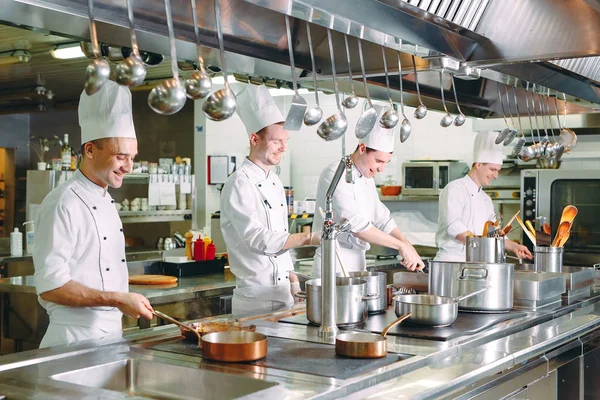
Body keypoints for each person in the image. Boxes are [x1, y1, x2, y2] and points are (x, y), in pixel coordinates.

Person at [33, 81, 153, 348]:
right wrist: (117, 299)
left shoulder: (106, 199)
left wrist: (121, 299)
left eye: (132, 157)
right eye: (121, 156)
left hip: (110, 338)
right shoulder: (63, 203)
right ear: (90, 150)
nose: (129, 167)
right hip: (72, 342)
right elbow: (51, 286)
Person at [220, 84, 319, 315]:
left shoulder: (274, 180)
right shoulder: (238, 183)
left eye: (285, 141)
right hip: (255, 300)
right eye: (276, 141)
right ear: (255, 139)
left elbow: (279, 233)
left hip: (283, 293)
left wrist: (292, 277)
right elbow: (258, 239)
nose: (283, 147)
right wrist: (308, 238)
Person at [311, 105, 425, 278]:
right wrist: (400, 247)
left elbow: (382, 219)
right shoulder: (335, 173)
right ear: (362, 149)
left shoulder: (366, 178)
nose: (381, 169)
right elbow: (356, 225)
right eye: (378, 161)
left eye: (385, 163)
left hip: (359, 261)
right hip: (333, 262)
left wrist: (407, 245)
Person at [434, 131, 533, 262]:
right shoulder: (455, 189)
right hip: (451, 263)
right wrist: (484, 243)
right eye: (493, 169)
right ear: (479, 164)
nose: (496, 175)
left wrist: (514, 247)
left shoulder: (486, 199)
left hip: (477, 262)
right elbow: (453, 227)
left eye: (498, 170)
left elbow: (493, 235)